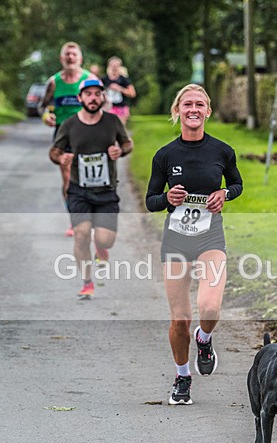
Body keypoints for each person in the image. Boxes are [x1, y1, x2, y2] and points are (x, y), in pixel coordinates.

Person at [146, 84, 243, 405]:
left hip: (210, 237)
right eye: (187, 104)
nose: (193, 109)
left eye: (199, 104)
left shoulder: (222, 151)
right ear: (177, 110)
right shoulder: (165, 155)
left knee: (211, 307)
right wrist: (167, 198)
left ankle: (205, 338)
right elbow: (150, 200)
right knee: (180, 319)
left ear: (208, 111)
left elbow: (237, 183)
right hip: (175, 240)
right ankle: (182, 376)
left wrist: (225, 193)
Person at [49, 78, 133, 299]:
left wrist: (120, 152)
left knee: (106, 239)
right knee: (81, 235)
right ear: (80, 98)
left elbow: (127, 143)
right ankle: (87, 282)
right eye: (88, 94)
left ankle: (101, 247)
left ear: (103, 97)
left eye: (97, 94)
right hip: (79, 190)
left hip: (106, 191)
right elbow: (54, 152)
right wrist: (62, 158)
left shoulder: (112, 121)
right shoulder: (69, 124)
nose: (93, 98)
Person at [39, 42, 89, 238]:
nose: (70, 58)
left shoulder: (89, 80)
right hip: (63, 134)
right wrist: (46, 116)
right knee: (68, 180)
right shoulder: (53, 82)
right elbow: (42, 107)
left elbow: (105, 104)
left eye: (74, 55)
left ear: (80, 58)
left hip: (87, 133)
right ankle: (75, 222)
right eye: (67, 55)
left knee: (88, 178)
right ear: (61, 59)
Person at [102, 56, 136, 126]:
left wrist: (120, 88)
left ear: (120, 67)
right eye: (112, 65)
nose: (114, 67)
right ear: (109, 66)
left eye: (116, 65)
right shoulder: (104, 79)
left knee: (120, 129)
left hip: (121, 107)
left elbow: (132, 93)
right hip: (108, 107)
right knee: (108, 128)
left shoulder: (124, 79)